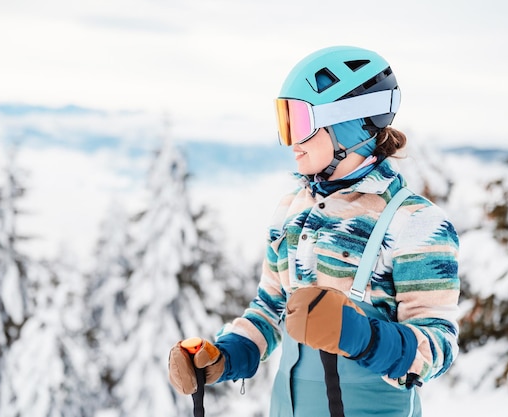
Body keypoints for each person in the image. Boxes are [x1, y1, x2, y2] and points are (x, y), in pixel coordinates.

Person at [168, 45, 460, 417]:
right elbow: (270, 310)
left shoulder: (416, 223)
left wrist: (360, 336)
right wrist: (225, 357)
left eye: (301, 124)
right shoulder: (292, 211)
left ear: (349, 125)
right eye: (285, 122)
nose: (291, 142)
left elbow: (438, 346)